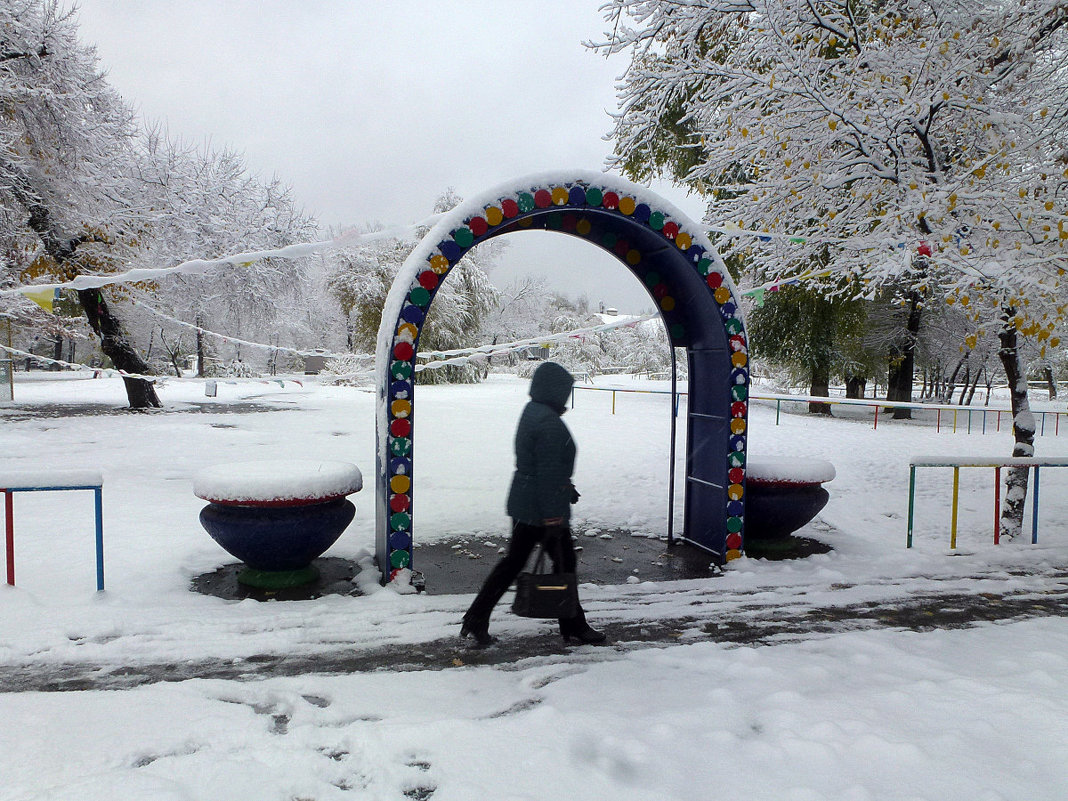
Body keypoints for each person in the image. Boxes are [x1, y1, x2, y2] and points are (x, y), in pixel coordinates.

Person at [461, 361, 606, 647]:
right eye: (565, 391)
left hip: (528, 501)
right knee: (563, 564)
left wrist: (565, 487)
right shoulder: (548, 422)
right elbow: (549, 471)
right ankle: (574, 624)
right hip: (542, 510)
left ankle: (477, 618)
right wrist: (554, 515)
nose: (567, 396)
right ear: (554, 391)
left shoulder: (533, 411)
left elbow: (544, 466)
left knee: (514, 564)